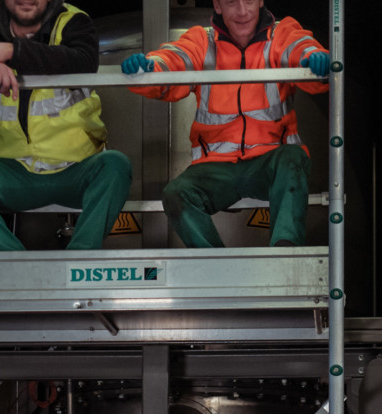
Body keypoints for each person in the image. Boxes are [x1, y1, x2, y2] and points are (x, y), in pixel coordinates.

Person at [0, 0, 131, 251]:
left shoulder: (73, 21)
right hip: (12, 172)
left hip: (76, 169)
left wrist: (9, 52)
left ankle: (79, 257)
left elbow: (82, 60)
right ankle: (9, 258)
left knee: (115, 165)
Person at [121, 0, 332, 248]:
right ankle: (215, 263)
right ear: (218, 6)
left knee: (293, 158)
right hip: (215, 167)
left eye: (249, 1)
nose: (242, 11)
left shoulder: (281, 34)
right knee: (177, 192)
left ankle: (285, 254)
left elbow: (301, 48)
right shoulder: (202, 42)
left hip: (270, 161)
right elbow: (174, 60)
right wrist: (148, 69)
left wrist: (315, 59)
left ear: (261, 1)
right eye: (232, 2)